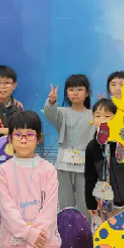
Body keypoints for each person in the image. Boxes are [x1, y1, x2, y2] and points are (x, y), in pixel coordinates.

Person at [0, 111, 60, 248]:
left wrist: (35, 243)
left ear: (39, 138)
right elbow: (8, 210)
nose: (24, 140)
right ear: (10, 138)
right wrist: (29, 234)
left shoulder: (48, 170)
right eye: (18, 135)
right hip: (14, 247)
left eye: (30, 135)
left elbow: (50, 209)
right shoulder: (3, 171)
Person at [84, 98, 124, 221]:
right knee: (115, 231)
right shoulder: (92, 147)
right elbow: (90, 177)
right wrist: (90, 203)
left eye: (107, 116)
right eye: (97, 116)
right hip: (109, 206)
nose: (102, 120)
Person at [44, 75, 95, 214]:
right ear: (66, 93)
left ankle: (86, 227)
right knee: (65, 202)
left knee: (85, 202)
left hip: (85, 166)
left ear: (87, 93)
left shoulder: (94, 115)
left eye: (80, 89)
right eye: (71, 89)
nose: (75, 93)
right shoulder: (62, 112)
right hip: (63, 164)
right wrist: (52, 101)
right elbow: (50, 113)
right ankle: (66, 226)